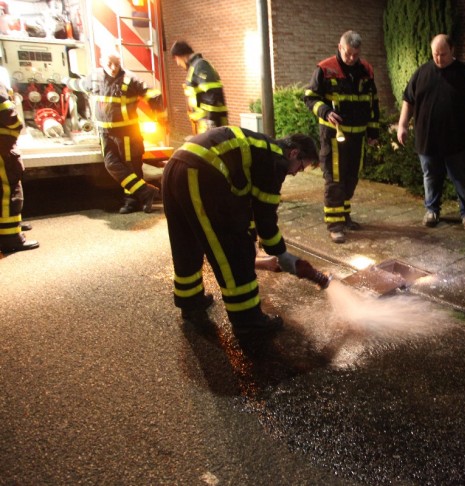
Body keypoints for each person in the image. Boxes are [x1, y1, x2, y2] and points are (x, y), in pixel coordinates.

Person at [162, 127, 326, 337]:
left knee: (187, 242)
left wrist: (251, 237)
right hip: (200, 173)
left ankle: (191, 302)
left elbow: (243, 205)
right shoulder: (275, 161)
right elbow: (265, 216)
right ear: (294, 153)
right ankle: (250, 323)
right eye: (300, 167)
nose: (295, 173)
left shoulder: (260, 149)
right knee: (232, 252)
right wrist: (281, 253)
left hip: (176, 167)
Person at [397, 34, 465, 232]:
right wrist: (402, 124)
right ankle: (432, 210)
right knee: (430, 176)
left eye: (443, 54)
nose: (439, 59)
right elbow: (408, 99)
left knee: (461, 178)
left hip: (459, 140)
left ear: (452, 50)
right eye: (435, 54)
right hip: (428, 140)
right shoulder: (422, 73)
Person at [303, 30, 379, 244]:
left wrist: (373, 132)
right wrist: (326, 111)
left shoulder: (366, 70)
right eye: (348, 54)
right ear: (340, 47)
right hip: (333, 137)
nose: (352, 59)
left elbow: (373, 102)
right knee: (334, 180)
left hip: (357, 138)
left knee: (351, 178)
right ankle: (335, 225)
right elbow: (309, 98)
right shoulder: (325, 69)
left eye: (356, 54)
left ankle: (344, 217)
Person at [65, 49, 162, 214]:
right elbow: (79, 85)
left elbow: (153, 95)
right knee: (111, 164)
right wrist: (65, 81)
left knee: (131, 167)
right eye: (109, 64)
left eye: (116, 64)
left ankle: (132, 201)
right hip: (105, 132)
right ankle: (145, 192)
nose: (113, 68)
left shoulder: (130, 79)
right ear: (101, 62)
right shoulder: (95, 77)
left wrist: (159, 116)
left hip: (127, 132)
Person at [0, 79, 38, 253]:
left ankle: (11, 229)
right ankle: (11, 239)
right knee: (9, 192)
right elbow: (11, 117)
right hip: (3, 149)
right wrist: (16, 130)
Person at [170, 41, 228, 135]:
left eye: (176, 59)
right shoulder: (194, 67)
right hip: (203, 125)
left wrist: (211, 123)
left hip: (210, 125)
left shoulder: (200, 66)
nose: (177, 63)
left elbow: (213, 92)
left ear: (180, 56)